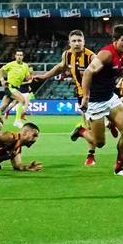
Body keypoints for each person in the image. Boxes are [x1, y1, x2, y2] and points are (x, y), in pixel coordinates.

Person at [71, 25, 123, 176]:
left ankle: (119, 168)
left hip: (111, 98)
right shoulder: (106, 54)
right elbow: (88, 72)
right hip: (95, 102)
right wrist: (86, 97)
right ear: (115, 40)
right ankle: (81, 131)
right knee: (99, 143)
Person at [33, 30, 97, 164]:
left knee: (100, 131)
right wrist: (44, 76)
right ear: (69, 43)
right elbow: (60, 67)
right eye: (73, 41)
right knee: (92, 130)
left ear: (84, 42)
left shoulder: (91, 57)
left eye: (79, 41)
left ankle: (83, 131)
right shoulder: (67, 55)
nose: (77, 43)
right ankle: (90, 155)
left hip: (98, 95)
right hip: (83, 96)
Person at [0, 50, 35, 126]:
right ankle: (17, 121)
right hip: (10, 86)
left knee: (3, 107)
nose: (19, 57)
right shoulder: (11, 64)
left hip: (16, 88)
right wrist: (2, 80)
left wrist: (31, 74)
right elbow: (0, 70)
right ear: (15, 56)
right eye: (18, 55)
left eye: (21, 55)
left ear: (23, 57)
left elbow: (27, 78)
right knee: (22, 100)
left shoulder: (25, 66)